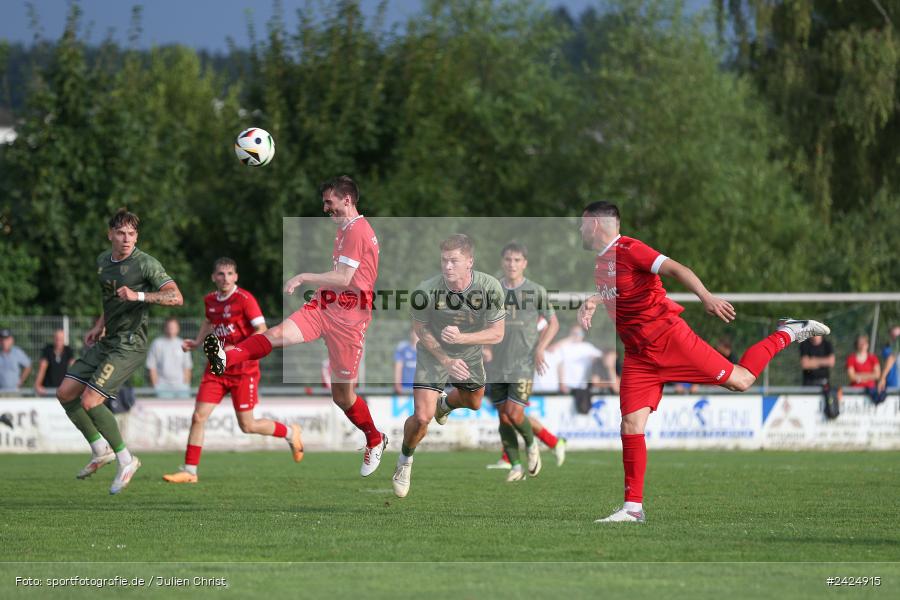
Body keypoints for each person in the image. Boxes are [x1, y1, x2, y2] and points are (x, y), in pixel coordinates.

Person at [577, 201, 829, 523]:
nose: (580, 229)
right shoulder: (602, 262)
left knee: (742, 380)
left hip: (670, 340)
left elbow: (677, 269)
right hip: (639, 355)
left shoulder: (631, 249)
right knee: (630, 424)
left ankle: (787, 333)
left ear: (596, 224)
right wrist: (594, 300)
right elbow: (622, 290)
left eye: (583, 223)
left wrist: (707, 298)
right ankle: (632, 508)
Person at [203, 176, 387, 477]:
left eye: (329, 202)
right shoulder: (345, 229)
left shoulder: (356, 230)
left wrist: (303, 277)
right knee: (275, 334)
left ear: (347, 200)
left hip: (350, 321)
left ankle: (375, 438)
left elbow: (344, 278)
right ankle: (226, 356)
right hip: (325, 307)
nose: (325, 208)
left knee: (343, 397)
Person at [56, 208, 183, 494]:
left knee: (91, 401)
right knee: (65, 392)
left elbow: (176, 296)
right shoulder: (103, 261)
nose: (127, 239)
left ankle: (126, 460)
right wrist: (100, 324)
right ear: (110, 234)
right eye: (121, 233)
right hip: (108, 340)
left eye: (132, 234)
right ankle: (100, 449)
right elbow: (110, 300)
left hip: (130, 345)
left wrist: (139, 295)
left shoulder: (146, 264)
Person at [164, 258, 301, 483]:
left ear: (236, 276)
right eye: (220, 274)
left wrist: (236, 349)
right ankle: (189, 471)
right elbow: (209, 322)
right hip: (217, 368)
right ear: (213, 277)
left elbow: (262, 331)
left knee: (247, 425)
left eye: (229, 274)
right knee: (198, 416)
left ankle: (289, 432)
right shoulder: (210, 300)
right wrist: (198, 342)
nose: (225, 278)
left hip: (244, 369)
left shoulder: (245, 300)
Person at [391, 234, 506, 498]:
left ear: (470, 262)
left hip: (470, 354)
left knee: (475, 402)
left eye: (454, 261)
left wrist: (463, 339)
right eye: (444, 260)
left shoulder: (489, 287)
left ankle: (447, 404)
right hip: (434, 355)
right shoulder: (426, 289)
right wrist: (446, 359)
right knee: (422, 417)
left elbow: (497, 333)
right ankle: (404, 461)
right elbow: (420, 329)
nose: (448, 266)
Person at [484, 241, 560, 482]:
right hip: (497, 363)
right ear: (502, 262)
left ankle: (531, 445)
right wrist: (484, 345)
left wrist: (540, 348)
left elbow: (553, 323)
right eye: (508, 259)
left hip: (523, 363)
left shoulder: (536, 290)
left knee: (515, 413)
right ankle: (515, 466)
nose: (512, 264)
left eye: (517, 260)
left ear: (524, 263)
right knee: (503, 416)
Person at [146, 318, 193, 398]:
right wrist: (156, 385)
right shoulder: (157, 343)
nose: (171, 329)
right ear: (165, 328)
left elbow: (187, 367)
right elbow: (151, 366)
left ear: (178, 329)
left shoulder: (183, 344)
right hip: (162, 386)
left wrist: (186, 384)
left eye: (173, 327)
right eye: (169, 327)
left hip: (181, 387)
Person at [34, 329, 75, 396]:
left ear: (64, 340)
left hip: (63, 389)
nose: (59, 341)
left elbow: (74, 367)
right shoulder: (47, 350)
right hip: (47, 390)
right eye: (57, 338)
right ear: (53, 338)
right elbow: (42, 367)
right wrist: (37, 385)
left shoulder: (68, 350)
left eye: (61, 339)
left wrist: (74, 386)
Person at [393, 328, 418, 394]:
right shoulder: (403, 349)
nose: (416, 335)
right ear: (411, 333)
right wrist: (397, 384)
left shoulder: (425, 351)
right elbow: (398, 367)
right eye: (415, 332)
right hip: (405, 388)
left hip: (420, 389)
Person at [878, 325, 899, 393]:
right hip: (893, 389)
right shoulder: (888, 350)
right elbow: (891, 358)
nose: (896, 338)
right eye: (894, 336)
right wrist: (882, 378)